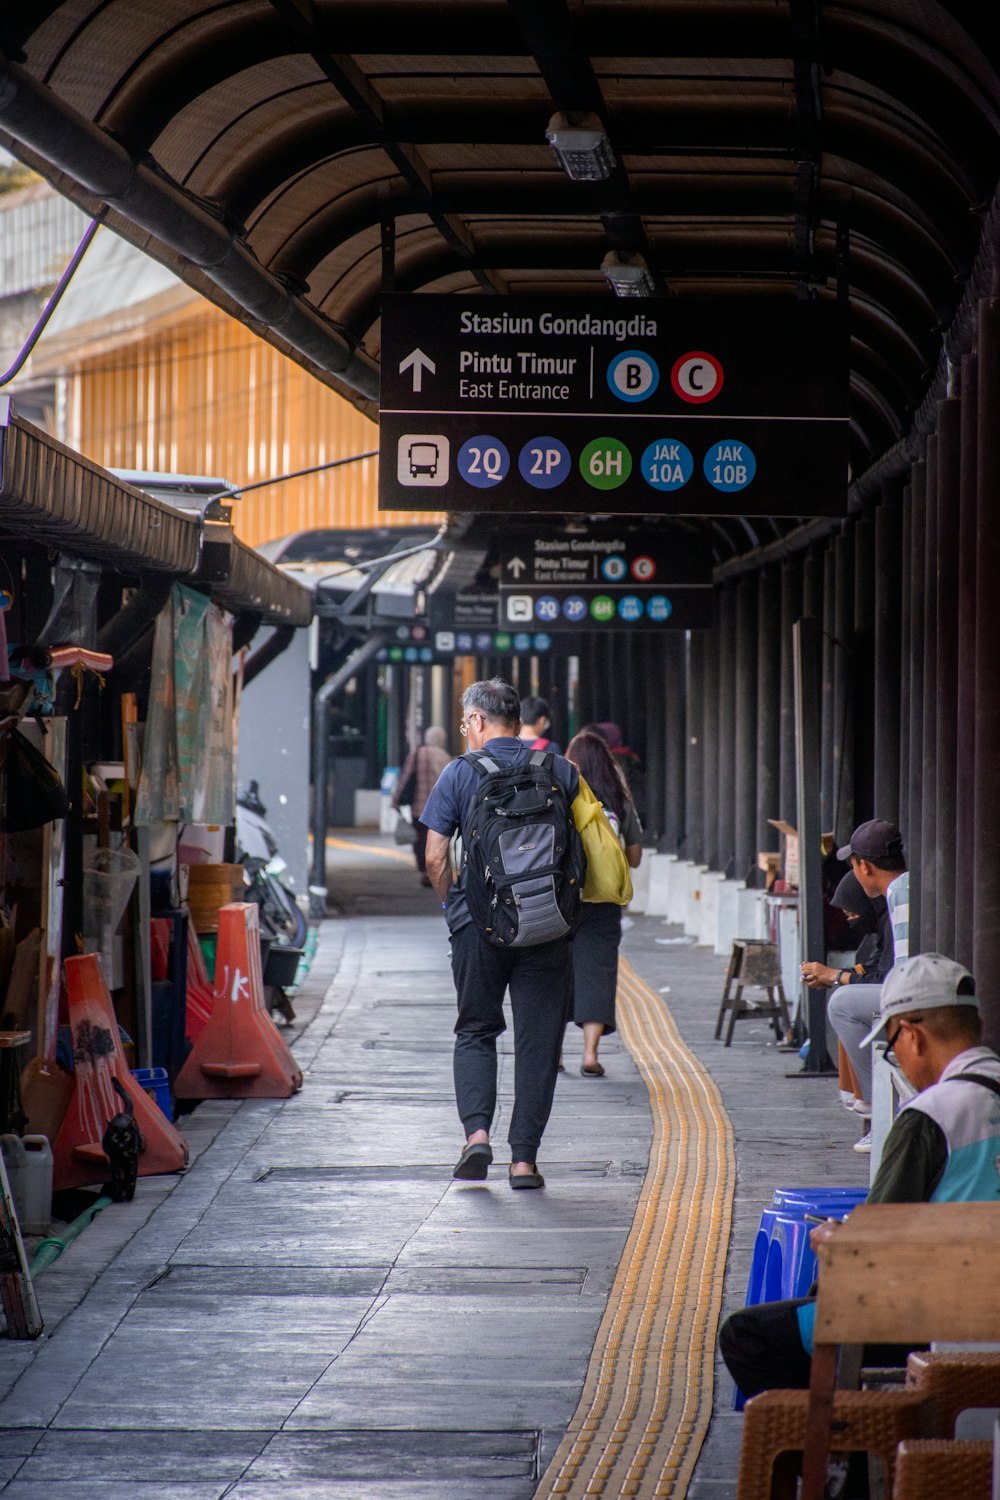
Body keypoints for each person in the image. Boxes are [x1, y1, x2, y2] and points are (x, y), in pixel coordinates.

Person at [720, 952, 1000, 1401]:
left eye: (892, 1046)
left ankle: (848, 1451)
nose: (899, 1060)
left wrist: (837, 1241)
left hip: (931, 1318)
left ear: (912, 1035)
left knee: (747, 1335)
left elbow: (871, 1249)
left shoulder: (933, 1116)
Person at [421, 679, 579, 1189]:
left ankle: (477, 1138)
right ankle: (525, 1162)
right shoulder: (561, 770)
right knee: (538, 1042)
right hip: (548, 925)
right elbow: (594, 845)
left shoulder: (460, 774)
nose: (466, 730)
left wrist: (455, 906)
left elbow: (434, 855)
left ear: (479, 722)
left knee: (476, 1030)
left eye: (467, 721)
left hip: (479, 925)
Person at [826, 819, 910, 1146]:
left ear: (864, 866)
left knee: (843, 1004)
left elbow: (899, 976)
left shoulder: (900, 893)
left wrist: (841, 977)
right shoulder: (902, 889)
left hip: (915, 996)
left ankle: (880, 1106)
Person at [563, 730, 642, 1077]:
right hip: (604, 901)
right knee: (598, 973)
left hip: (562, 897)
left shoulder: (560, 792)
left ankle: (553, 1053)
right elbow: (635, 858)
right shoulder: (619, 799)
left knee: (556, 973)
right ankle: (590, 1054)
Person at [800, 868, 890, 1111]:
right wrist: (834, 977)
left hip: (904, 999)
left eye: (852, 913)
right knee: (844, 997)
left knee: (844, 1003)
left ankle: (874, 1099)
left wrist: (836, 976)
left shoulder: (893, 918)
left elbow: (885, 977)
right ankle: (860, 1093)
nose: (850, 919)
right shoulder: (884, 922)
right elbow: (875, 966)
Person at [392, 726, 451, 885]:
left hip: (419, 806)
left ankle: (425, 871)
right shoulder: (445, 757)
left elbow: (405, 777)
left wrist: (396, 799)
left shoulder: (419, 753)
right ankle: (436, 870)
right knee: (438, 840)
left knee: (420, 840)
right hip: (440, 809)